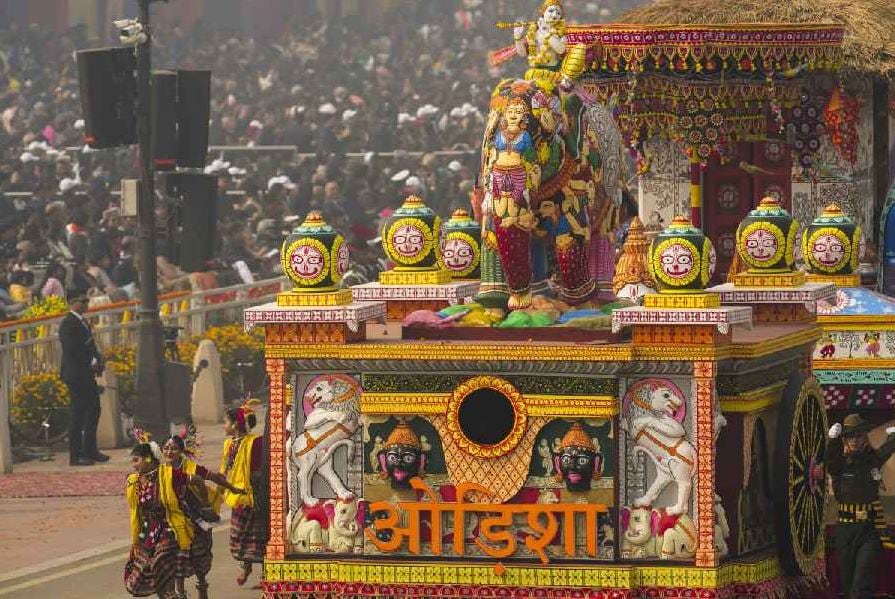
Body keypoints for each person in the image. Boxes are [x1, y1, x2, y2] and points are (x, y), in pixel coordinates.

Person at [161, 428, 246, 599]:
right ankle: (180, 593)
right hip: (172, 520)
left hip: (195, 518)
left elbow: (213, 477)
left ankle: (202, 586)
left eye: (174, 448)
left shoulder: (192, 468)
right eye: (166, 448)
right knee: (176, 557)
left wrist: (232, 488)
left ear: (181, 451)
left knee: (198, 555)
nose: (169, 452)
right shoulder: (160, 471)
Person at [827, 414, 895, 599]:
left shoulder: (872, 461)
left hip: (868, 531)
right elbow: (830, 460)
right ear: (845, 440)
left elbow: (886, 450)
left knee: (860, 588)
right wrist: (832, 440)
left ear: (864, 437)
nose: (854, 440)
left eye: (858, 435)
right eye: (850, 436)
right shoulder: (840, 464)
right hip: (845, 530)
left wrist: (893, 436)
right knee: (849, 587)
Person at [125, 430, 198, 599]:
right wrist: (135, 541)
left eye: (136, 460)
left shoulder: (168, 474)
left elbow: (197, 480)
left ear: (148, 459)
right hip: (148, 531)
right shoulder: (133, 481)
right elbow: (135, 513)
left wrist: (206, 506)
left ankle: (175, 592)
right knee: (143, 572)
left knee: (160, 561)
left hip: (168, 527)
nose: (133, 465)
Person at [216, 401, 266, 587]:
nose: (224, 426)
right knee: (239, 538)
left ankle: (265, 575)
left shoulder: (255, 442)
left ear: (235, 424)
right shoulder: (228, 444)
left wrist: (259, 494)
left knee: (259, 537)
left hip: (253, 497)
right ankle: (246, 567)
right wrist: (216, 493)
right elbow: (224, 470)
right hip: (236, 497)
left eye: (225, 422)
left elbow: (260, 470)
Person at [59, 291, 107, 466]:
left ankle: (90, 449)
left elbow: (90, 345)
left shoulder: (83, 322)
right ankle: (75, 454)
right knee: (78, 413)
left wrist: (97, 359)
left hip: (86, 374)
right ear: (72, 301)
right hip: (76, 374)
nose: (86, 304)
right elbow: (72, 351)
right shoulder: (68, 324)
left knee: (94, 409)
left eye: (87, 301)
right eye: (83, 301)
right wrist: (89, 362)